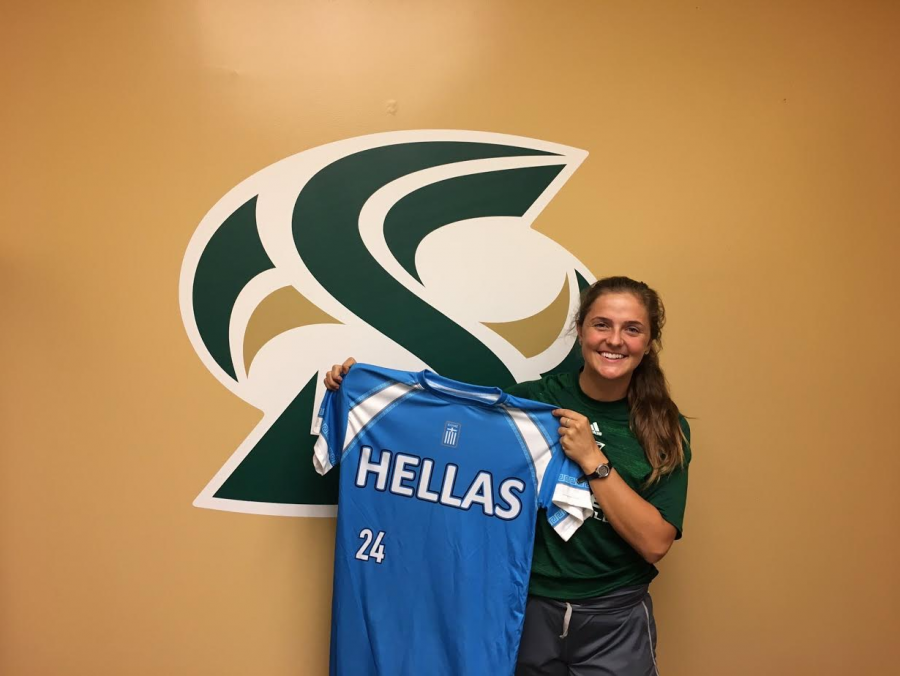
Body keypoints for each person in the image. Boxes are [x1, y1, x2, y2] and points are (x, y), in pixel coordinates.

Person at [323, 276, 691, 676]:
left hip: (615, 617)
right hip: (525, 608)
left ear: (649, 342)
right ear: (581, 330)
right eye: (602, 324)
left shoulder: (665, 427)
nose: (615, 340)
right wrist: (367, 392)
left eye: (632, 329)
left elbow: (655, 543)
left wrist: (593, 459)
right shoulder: (530, 406)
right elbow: (446, 447)